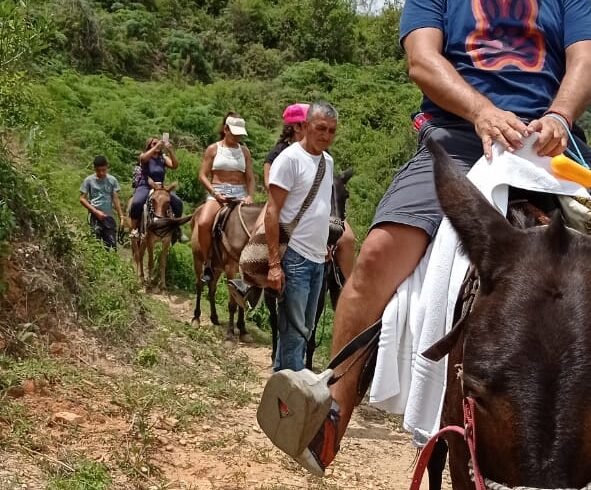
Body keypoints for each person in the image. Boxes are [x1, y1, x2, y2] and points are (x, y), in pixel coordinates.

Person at [276, 0, 591, 476]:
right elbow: (423, 61)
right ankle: (332, 412)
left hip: (553, 149)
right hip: (462, 140)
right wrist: (481, 111)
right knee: (378, 254)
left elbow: (583, 56)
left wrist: (562, 115)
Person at [266, 101, 337, 372]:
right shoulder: (289, 159)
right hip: (294, 256)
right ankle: (291, 402)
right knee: (294, 333)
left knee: (304, 331)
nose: (326, 136)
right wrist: (274, 264)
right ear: (305, 126)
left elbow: (322, 206)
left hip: (318, 258)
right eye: (321, 128)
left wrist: (326, 244)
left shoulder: (327, 161)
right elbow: (272, 212)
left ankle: (280, 391)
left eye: (331, 131)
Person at [261, 103, 357, 280]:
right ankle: (253, 278)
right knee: (258, 230)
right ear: (298, 127)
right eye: (318, 127)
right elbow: (269, 181)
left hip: (317, 208)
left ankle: (349, 284)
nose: (324, 134)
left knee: (348, 238)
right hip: (284, 201)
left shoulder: (323, 154)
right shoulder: (281, 152)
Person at [198, 112, 256, 282]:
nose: (238, 137)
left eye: (240, 134)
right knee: (203, 223)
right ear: (225, 129)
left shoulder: (244, 151)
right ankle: (207, 261)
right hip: (218, 192)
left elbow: (251, 177)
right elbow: (202, 175)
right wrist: (214, 192)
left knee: (257, 225)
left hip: (240, 194)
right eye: (235, 133)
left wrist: (250, 196)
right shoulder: (213, 149)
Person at [129, 137, 183, 239]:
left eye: (159, 143)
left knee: (178, 203)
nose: (157, 145)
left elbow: (174, 165)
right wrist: (155, 148)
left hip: (160, 187)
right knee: (137, 202)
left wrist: (171, 151)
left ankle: (176, 229)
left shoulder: (162, 157)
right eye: (154, 143)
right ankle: (134, 229)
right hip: (145, 185)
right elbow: (143, 159)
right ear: (149, 145)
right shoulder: (144, 155)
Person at [79, 155, 123, 249]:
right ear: (94, 168)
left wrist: (121, 217)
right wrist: (95, 211)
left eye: (103, 170)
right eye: (98, 170)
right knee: (95, 244)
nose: (101, 173)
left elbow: (115, 199)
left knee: (111, 246)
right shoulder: (89, 180)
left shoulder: (112, 180)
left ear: (107, 167)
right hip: (94, 216)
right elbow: (82, 199)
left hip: (108, 216)